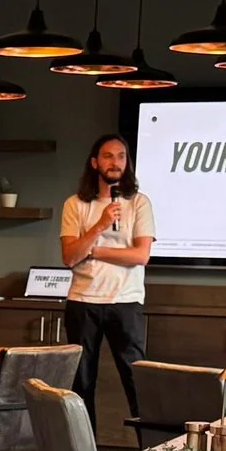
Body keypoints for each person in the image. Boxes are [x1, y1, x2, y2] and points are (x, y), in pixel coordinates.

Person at [59, 133, 155, 424]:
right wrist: (100, 224)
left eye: (121, 156)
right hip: (82, 302)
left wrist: (94, 250)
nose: (116, 162)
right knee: (81, 384)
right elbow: (70, 257)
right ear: (94, 162)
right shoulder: (75, 205)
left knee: (137, 381)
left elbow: (140, 255)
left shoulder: (138, 203)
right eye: (108, 156)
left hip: (125, 301)